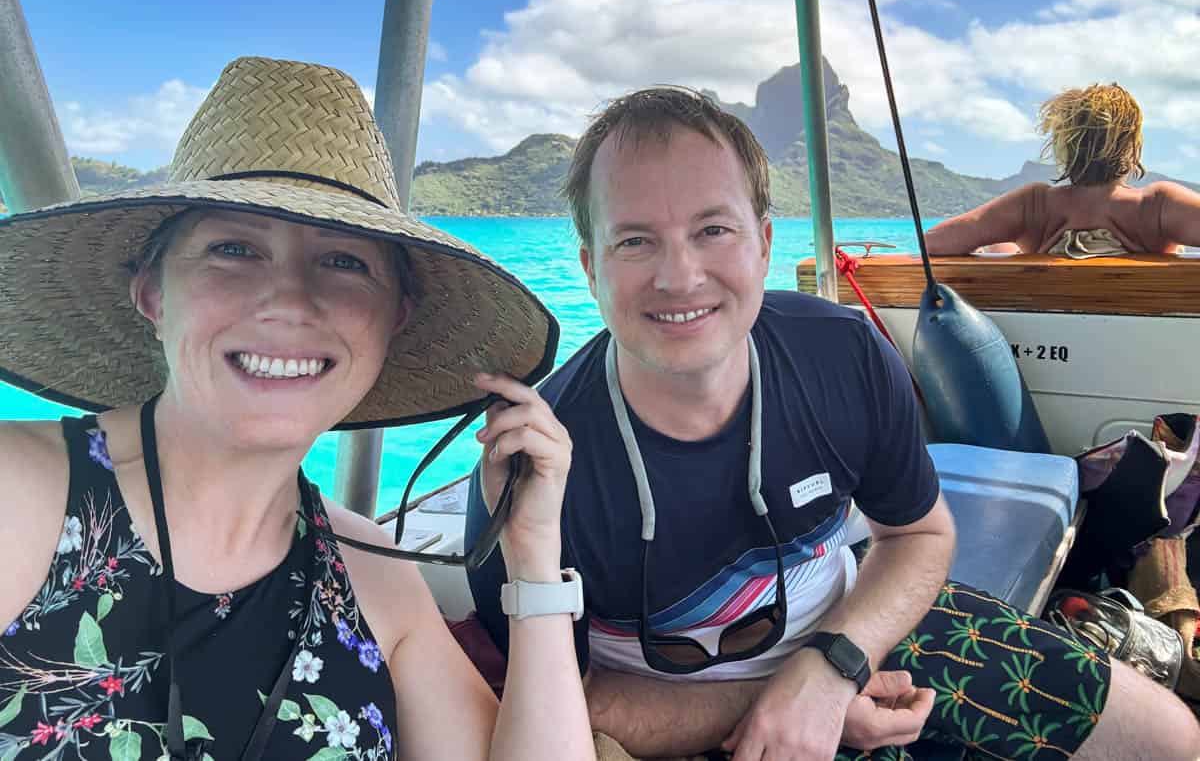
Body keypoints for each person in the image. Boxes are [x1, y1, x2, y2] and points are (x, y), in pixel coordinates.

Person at [466, 86, 1200, 760]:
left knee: (1169, 737)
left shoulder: (842, 353)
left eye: (712, 229)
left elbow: (917, 535)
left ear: (762, 242)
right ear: (591, 268)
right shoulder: (535, 467)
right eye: (635, 241)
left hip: (859, 634)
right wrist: (792, 698)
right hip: (679, 716)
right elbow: (572, 703)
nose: (679, 276)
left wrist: (830, 667)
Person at [0, 57, 595, 760]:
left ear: (392, 319)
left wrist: (532, 559)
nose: (288, 300)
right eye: (233, 249)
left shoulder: (373, 575)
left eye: (344, 262)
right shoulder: (22, 495)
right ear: (153, 296)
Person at [925, 83, 1200, 257]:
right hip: (1142, 340)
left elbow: (934, 243)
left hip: (1050, 338)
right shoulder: (1155, 207)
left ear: (1064, 146)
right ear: (1132, 146)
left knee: (1002, 248)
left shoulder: (1034, 206)